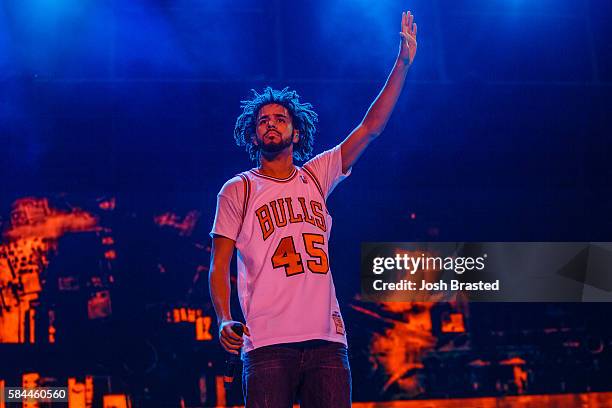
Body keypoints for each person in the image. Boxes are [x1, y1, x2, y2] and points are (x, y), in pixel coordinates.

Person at [209, 9, 417, 407]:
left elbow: (371, 129)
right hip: (267, 343)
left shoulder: (316, 175)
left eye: (279, 119)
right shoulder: (238, 189)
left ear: (295, 130)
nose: (271, 124)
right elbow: (219, 266)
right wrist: (222, 318)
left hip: (327, 340)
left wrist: (402, 64)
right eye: (263, 121)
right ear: (253, 133)